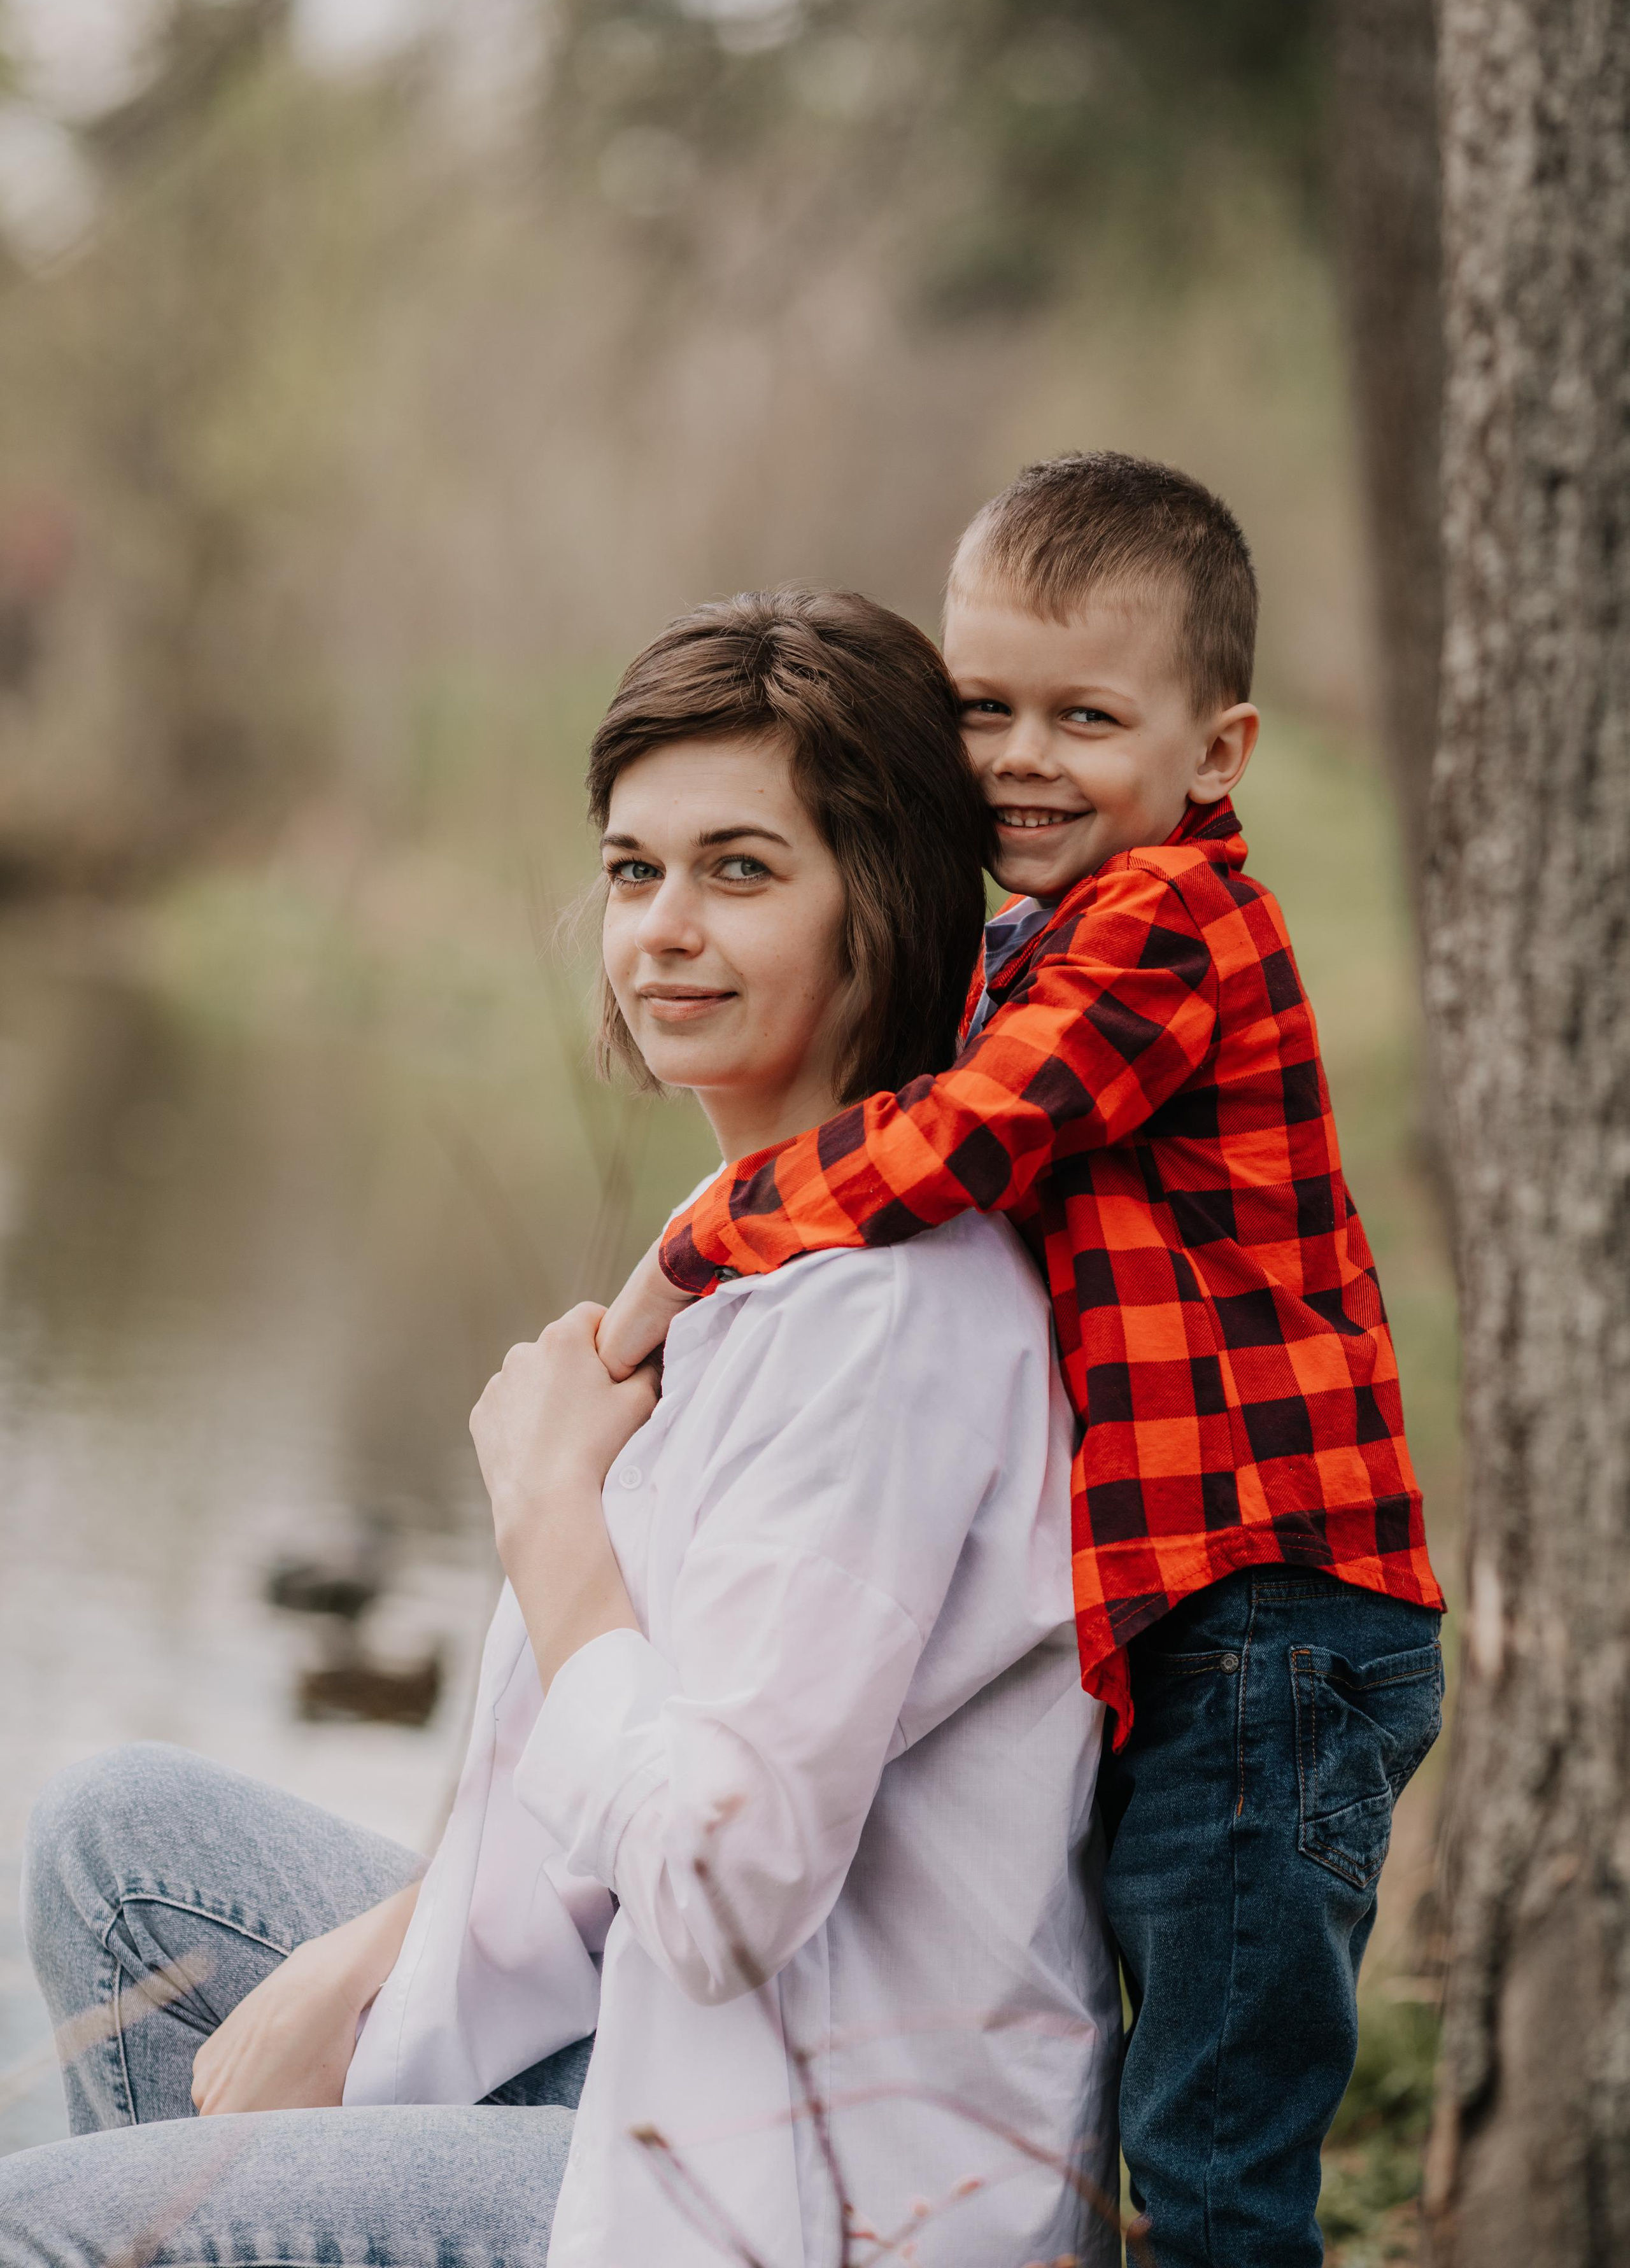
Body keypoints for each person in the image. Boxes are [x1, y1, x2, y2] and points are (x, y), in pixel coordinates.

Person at [1, 589, 1120, 2268]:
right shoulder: (752, 1234)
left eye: (740, 871)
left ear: (878, 906)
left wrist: (547, 1515)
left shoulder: (885, 1320)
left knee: (49, 2230)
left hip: (821, 2190)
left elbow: (723, 1891)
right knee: (119, 1847)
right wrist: (382, 1947)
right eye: (631, 869)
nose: (663, 925)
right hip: (688, 2058)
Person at [597, 456, 1448, 2268]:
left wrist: (712, 1231)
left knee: (1218, 2160)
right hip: (1214, 1627)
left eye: (1088, 716)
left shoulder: (1165, 933)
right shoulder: (1037, 946)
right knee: (1172, 2101)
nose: (1023, 760)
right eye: (984, 708)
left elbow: (969, 1139)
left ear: (1215, 754)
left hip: (1275, 1624)